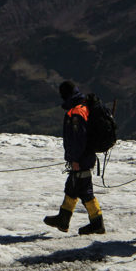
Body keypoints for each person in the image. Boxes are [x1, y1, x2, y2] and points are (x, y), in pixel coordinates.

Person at [43, 81, 105, 235]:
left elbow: (78, 138)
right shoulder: (82, 107)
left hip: (81, 158)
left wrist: (75, 158)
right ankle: (64, 220)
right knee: (74, 187)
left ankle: (96, 223)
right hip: (85, 156)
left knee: (84, 190)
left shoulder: (77, 112)